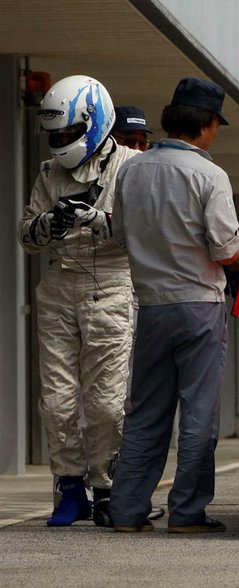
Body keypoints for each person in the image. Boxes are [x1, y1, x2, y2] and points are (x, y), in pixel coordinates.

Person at [109, 78, 239, 533]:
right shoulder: (210, 175)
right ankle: (187, 513)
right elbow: (225, 248)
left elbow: (119, 232)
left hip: (149, 305)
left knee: (145, 412)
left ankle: (127, 511)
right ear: (206, 125)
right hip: (199, 307)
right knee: (199, 414)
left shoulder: (132, 171)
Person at [16, 75, 139, 527]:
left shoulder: (130, 167)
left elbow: (144, 234)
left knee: (106, 402)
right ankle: (69, 487)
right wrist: (50, 224)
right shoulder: (49, 173)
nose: (62, 142)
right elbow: (26, 235)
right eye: (57, 136)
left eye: (69, 134)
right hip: (59, 284)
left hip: (111, 283)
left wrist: (100, 220)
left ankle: (107, 487)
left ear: (94, 122)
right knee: (58, 399)